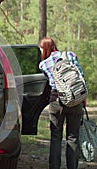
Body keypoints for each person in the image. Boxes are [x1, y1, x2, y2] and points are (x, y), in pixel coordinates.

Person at [38, 37, 84, 169]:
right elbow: (80, 76)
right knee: (73, 137)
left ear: (44, 49)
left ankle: (54, 167)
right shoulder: (70, 55)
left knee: (56, 137)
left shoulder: (43, 64)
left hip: (57, 100)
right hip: (75, 99)